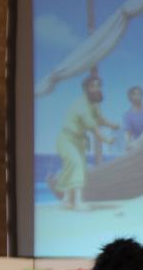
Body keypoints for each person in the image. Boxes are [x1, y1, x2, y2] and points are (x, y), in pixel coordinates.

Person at [48, 75, 118, 210]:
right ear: (86, 88)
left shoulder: (94, 105)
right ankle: (78, 202)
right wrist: (108, 140)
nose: (96, 88)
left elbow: (100, 119)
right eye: (93, 86)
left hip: (79, 141)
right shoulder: (81, 106)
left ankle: (66, 200)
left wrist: (112, 125)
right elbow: (95, 130)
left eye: (98, 86)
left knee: (72, 168)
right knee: (76, 164)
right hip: (67, 139)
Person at [121, 85, 143, 150]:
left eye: (139, 94)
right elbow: (127, 132)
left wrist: (137, 143)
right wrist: (129, 143)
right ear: (130, 97)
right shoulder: (127, 115)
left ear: (142, 96)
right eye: (134, 94)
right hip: (137, 146)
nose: (137, 96)